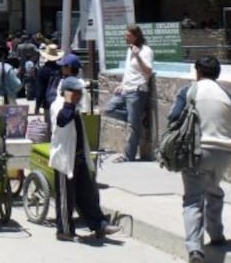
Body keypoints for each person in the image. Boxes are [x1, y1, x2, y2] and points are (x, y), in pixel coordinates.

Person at [168, 56, 231, 263]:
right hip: (224, 153)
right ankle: (217, 236)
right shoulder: (228, 95)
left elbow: (173, 117)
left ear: (197, 71)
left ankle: (195, 250)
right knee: (213, 190)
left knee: (192, 200)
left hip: (196, 151)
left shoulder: (189, 91)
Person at [50, 76, 120, 241]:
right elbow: (61, 121)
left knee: (87, 194)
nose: (80, 95)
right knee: (66, 198)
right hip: (65, 159)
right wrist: (68, 102)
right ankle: (64, 231)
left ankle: (99, 224)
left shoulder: (73, 106)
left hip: (79, 157)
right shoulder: (59, 105)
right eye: (77, 92)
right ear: (68, 93)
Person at [103, 24, 154, 162]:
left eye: (128, 35)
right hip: (126, 89)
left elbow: (148, 71)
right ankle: (137, 117)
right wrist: (122, 84)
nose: (125, 37)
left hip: (137, 91)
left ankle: (128, 156)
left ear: (136, 36)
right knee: (108, 109)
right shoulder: (129, 50)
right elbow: (129, 71)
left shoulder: (145, 51)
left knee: (133, 127)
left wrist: (137, 56)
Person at [36, 43, 64, 118]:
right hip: (60, 101)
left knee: (49, 126)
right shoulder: (62, 69)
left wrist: (37, 107)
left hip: (47, 103)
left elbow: (40, 90)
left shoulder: (42, 71)